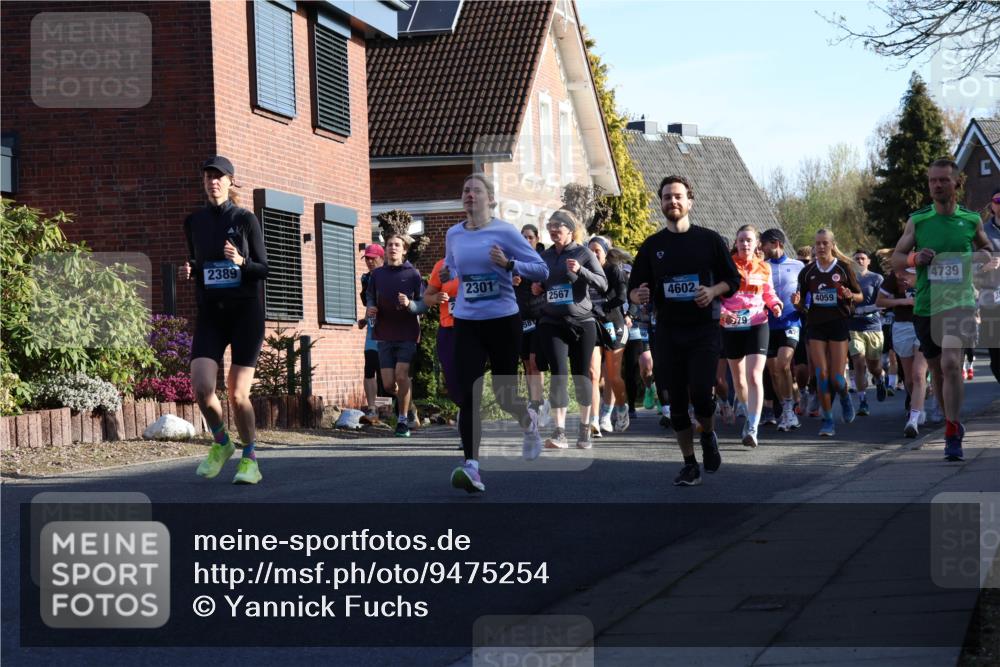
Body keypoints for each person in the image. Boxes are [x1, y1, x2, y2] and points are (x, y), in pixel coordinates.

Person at [628, 175, 740, 487]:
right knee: (675, 402)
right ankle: (690, 464)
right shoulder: (652, 246)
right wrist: (636, 295)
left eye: (678, 196)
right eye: (666, 197)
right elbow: (634, 288)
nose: (672, 202)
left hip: (703, 330)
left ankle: (708, 434)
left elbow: (733, 281)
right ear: (661, 203)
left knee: (702, 395)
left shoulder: (710, 240)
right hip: (667, 332)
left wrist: (713, 290)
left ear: (689, 201)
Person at [444, 174, 548, 493]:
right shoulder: (453, 234)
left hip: (503, 320)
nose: (470, 195)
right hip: (466, 321)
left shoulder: (505, 231)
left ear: (490, 199)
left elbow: (541, 269)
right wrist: (453, 283)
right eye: (465, 190)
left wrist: (509, 264)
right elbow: (452, 268)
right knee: (468, 394)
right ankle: (471, 466)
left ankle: (528, 421)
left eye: (476, 190)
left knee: (504, 396)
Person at [891, 159, 1000, 460]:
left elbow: (987, 249)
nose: (937, 185)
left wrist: (983, 258)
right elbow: (896, 258)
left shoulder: (970, 220)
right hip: (927, 304)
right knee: (938, 372)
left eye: (943, 180)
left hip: (960, 303)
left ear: (956, 184)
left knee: (952, 364)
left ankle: (952, 431)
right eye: (932, 181)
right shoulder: (919, 221)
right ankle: (950, 418)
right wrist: (915, 259)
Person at [181, 156, 269, 485]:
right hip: (211, 314)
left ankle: (250, 458)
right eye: (208, 177)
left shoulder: (246, 219)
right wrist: (190, 268)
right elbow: (197, 259)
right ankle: (221, 443)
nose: (213, 182)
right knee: (202, 387)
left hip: (245, 313)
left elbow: (264, 268)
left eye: (219, 177)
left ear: (231, 182)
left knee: (237, 393)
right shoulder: (194, 222)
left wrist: (241, 261)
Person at [533, 210, 607, 450]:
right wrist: (538, 288)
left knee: (581, 376)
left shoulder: (583, 253)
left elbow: (602, 283)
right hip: (552, 322)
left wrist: (581, 271)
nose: (553, 230)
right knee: (558, 374)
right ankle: (560, 431)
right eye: (550, 225)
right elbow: (544, 284)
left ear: (570, 228)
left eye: (558, 226)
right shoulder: (544, 256)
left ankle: (585, 428)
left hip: (582, 322)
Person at [794, 229, 863, 437]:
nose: (821, 247)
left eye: (825, 243)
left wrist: (851, 295)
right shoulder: (807, 272)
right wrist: (796, 304)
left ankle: (843, 394)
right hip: (816, 325)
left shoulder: (843, 268)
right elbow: (800, 303)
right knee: (821, 374)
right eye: (817, 244)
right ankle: (828, 420)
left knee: (836, 378)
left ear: (832, 245)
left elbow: (859, 296)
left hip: (838, 323)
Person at [720, 225, 782, 448]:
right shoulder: (726, 266)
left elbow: (769, 292)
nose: (745, 244)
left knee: (755, 375)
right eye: (741, 240)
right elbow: (717, 296)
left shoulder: (764, 267)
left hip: (757, 322)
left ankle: (753, 428)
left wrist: (775, 304)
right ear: (735, 244)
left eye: (749, 240)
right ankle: (748, 414)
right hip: (732, 324)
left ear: (756, 243)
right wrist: (723, 313)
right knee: (739, 379)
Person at [366, 234, 427, 438]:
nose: (393, 247)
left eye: (397, 245)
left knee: (402, 375)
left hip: (407, 333)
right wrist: (371, 307)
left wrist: (410, 305)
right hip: (384, 333)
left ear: (404, 250)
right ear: (386, 249)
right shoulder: (377, 275)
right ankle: (409, 404)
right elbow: (370, 296)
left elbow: (423, 304)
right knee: (389, 384)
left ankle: (402, 420)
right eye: (390, 244)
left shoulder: (413, 275)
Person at [761, 228, 804, 432]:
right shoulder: (762, 267)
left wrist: (800, 304)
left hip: (790, 322)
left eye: (764, 244)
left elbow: (806, 295)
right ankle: (787, 409)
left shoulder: (798, 265)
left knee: (783, 365)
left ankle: (790, 410)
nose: (762, 248)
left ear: (776, 243)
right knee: (773, 371)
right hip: (768, 324)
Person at [877, 267, 926, 437]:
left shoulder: (930, 269)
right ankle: (919, 406)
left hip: (925, 323)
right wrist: (904, 302)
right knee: (910, 379)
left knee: (919, 374)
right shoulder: (897, 273)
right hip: (903, 326)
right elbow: (880, 301)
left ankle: (913, 419)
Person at [589, 236, 631, 433]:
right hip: (593, 325)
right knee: (593, 374)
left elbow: (622, 297)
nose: (594, 254)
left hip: (613, 324)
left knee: (613, 377)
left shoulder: (613, 269)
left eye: (597, 250)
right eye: (591, 250)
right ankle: (596, 419)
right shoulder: (585, 271)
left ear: (605, 252)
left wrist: (602, 306)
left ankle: (620, 408)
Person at [847, 249, 887, 416]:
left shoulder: (876, 278)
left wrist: (865, 309)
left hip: (873, 327)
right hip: (854, 327)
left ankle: (880, 378)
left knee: (874, 366)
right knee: (858, 363)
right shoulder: (848, 279)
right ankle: (863, 401)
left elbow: (883, 302)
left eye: (863, 258)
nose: (860, 261)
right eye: (857, 259)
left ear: (868, 261)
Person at [423, 257, 461, 406]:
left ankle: (469, 411)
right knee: (451, 374)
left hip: (473, 327)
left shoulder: (476, 260)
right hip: (448, 327)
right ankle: (462, 406)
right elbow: (426, 298)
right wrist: (435, 298)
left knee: (470, 371)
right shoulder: (441, 265)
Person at [976, 186, 1000, 383]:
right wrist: (984, 267)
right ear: (992, 205)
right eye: (998, 200)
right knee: (996, 358)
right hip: (991, 299)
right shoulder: (982, 232)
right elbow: (969, 266)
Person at [358, 244, 385, 419]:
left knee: (390, 377)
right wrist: (365, 319)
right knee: (369, 369)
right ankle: (372, 409)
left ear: (382, 259)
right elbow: (370, 304)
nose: (369, 261)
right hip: (372, 330)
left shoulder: (390, 277)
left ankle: (406, 409)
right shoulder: (366, 279)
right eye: (367, 258)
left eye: (372, 258)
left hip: (390, 331)